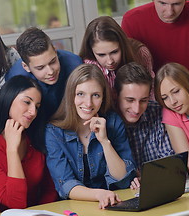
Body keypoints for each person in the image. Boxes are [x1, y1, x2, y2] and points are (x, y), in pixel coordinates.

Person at [45, 64, 135, 209]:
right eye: (81, 94)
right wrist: (99, 194)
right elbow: (65, 185)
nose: (88, 103)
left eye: (96, 95)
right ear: (71, 95)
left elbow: (123, 179)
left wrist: (104, 141)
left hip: (114, 204)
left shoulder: (112, 121)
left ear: (103, 97)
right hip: (76, 207)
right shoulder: (54, 131)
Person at [0, 75, 57, 212]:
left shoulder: (35, 138)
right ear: (8, 99)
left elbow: (50, 188)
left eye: (37, 107)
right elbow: (15, 203)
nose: (33, 112)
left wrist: (42, 213)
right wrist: (12, 150)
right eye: (27, 102)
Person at [114, 62, 174, 189]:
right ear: (116, 95)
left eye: (143, 100)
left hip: (161, 188)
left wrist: (148, 178)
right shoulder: (108, 123)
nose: (136, 109)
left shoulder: (157, 112)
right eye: (130, 100)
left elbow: (171, 164)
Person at [5, 27, 82, 120]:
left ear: (55, 50)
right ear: (26, 67)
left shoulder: (75, 64)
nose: (50, 72)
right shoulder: (16, 79)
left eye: (53, 61)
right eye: (40, 68)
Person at [79, 16, 154, 91]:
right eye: (101, 55)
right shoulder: (90, 67)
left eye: (114, 52)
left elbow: (151, 90)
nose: (110, 61)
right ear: (91, 51)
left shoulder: (140, 53)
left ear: (123, 45)